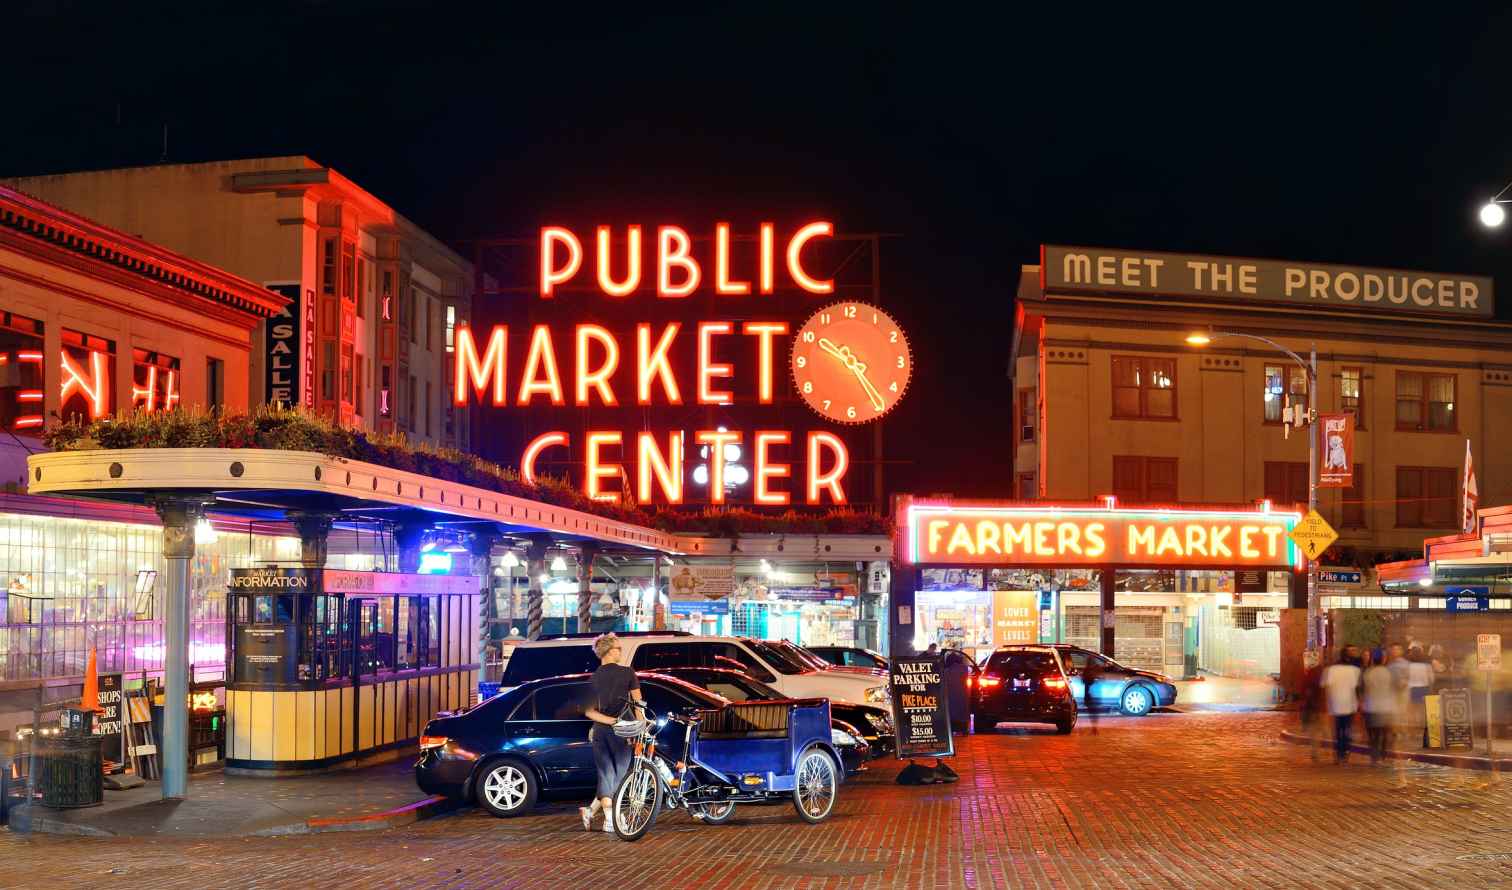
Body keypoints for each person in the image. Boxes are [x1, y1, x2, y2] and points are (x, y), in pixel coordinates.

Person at [580, 633, 644, 834]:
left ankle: (591, 811)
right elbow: (638, 704)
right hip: (623, 731)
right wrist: (639, 726)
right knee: (619, 775)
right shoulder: (628, 673)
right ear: (608, 651)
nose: (621, 651)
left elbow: (589, 711)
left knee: (606, 774)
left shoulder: (593, 678)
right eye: (618, 648)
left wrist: (609, 721)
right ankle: (611, 818)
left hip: (601, 730)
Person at [1320, 648, 1363, 764]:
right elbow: (1357, 688)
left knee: (1338, 729)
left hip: (1335, 704)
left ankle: (1339, 753)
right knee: (1347, 728)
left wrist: (1326, 703)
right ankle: (1345, 752)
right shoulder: (1354, 670)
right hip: (1349, 704)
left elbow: (1326, 687)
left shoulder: (1331, 670)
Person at [1361, 651, 1397, 765]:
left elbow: (1363, 689)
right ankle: (1382, 755)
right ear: (1383, 659)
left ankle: (1374, 756)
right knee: (1384, 733)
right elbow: (1393, 689)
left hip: (1371, 706)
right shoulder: (1389, 673)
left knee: (1373, 734)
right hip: (1385, 707)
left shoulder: (1368, 673)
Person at [1406, 646, 1434, 747]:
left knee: (1412, 713)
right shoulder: (1427, 666)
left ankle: (1412, 733)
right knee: (1422, 713)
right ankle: (1420, 732)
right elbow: (1431, 679)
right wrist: (1430, 689)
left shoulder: (1408, 666)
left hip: (1412, 689)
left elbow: (1405, 678)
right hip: (1424, 689)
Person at [940, 648, 970, 734]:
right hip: (962, 697)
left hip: (950, 698)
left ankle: (952, 729)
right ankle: (963, 729)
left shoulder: (946, 671)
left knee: (952, 711)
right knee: (962, 711)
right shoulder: (964, 669)